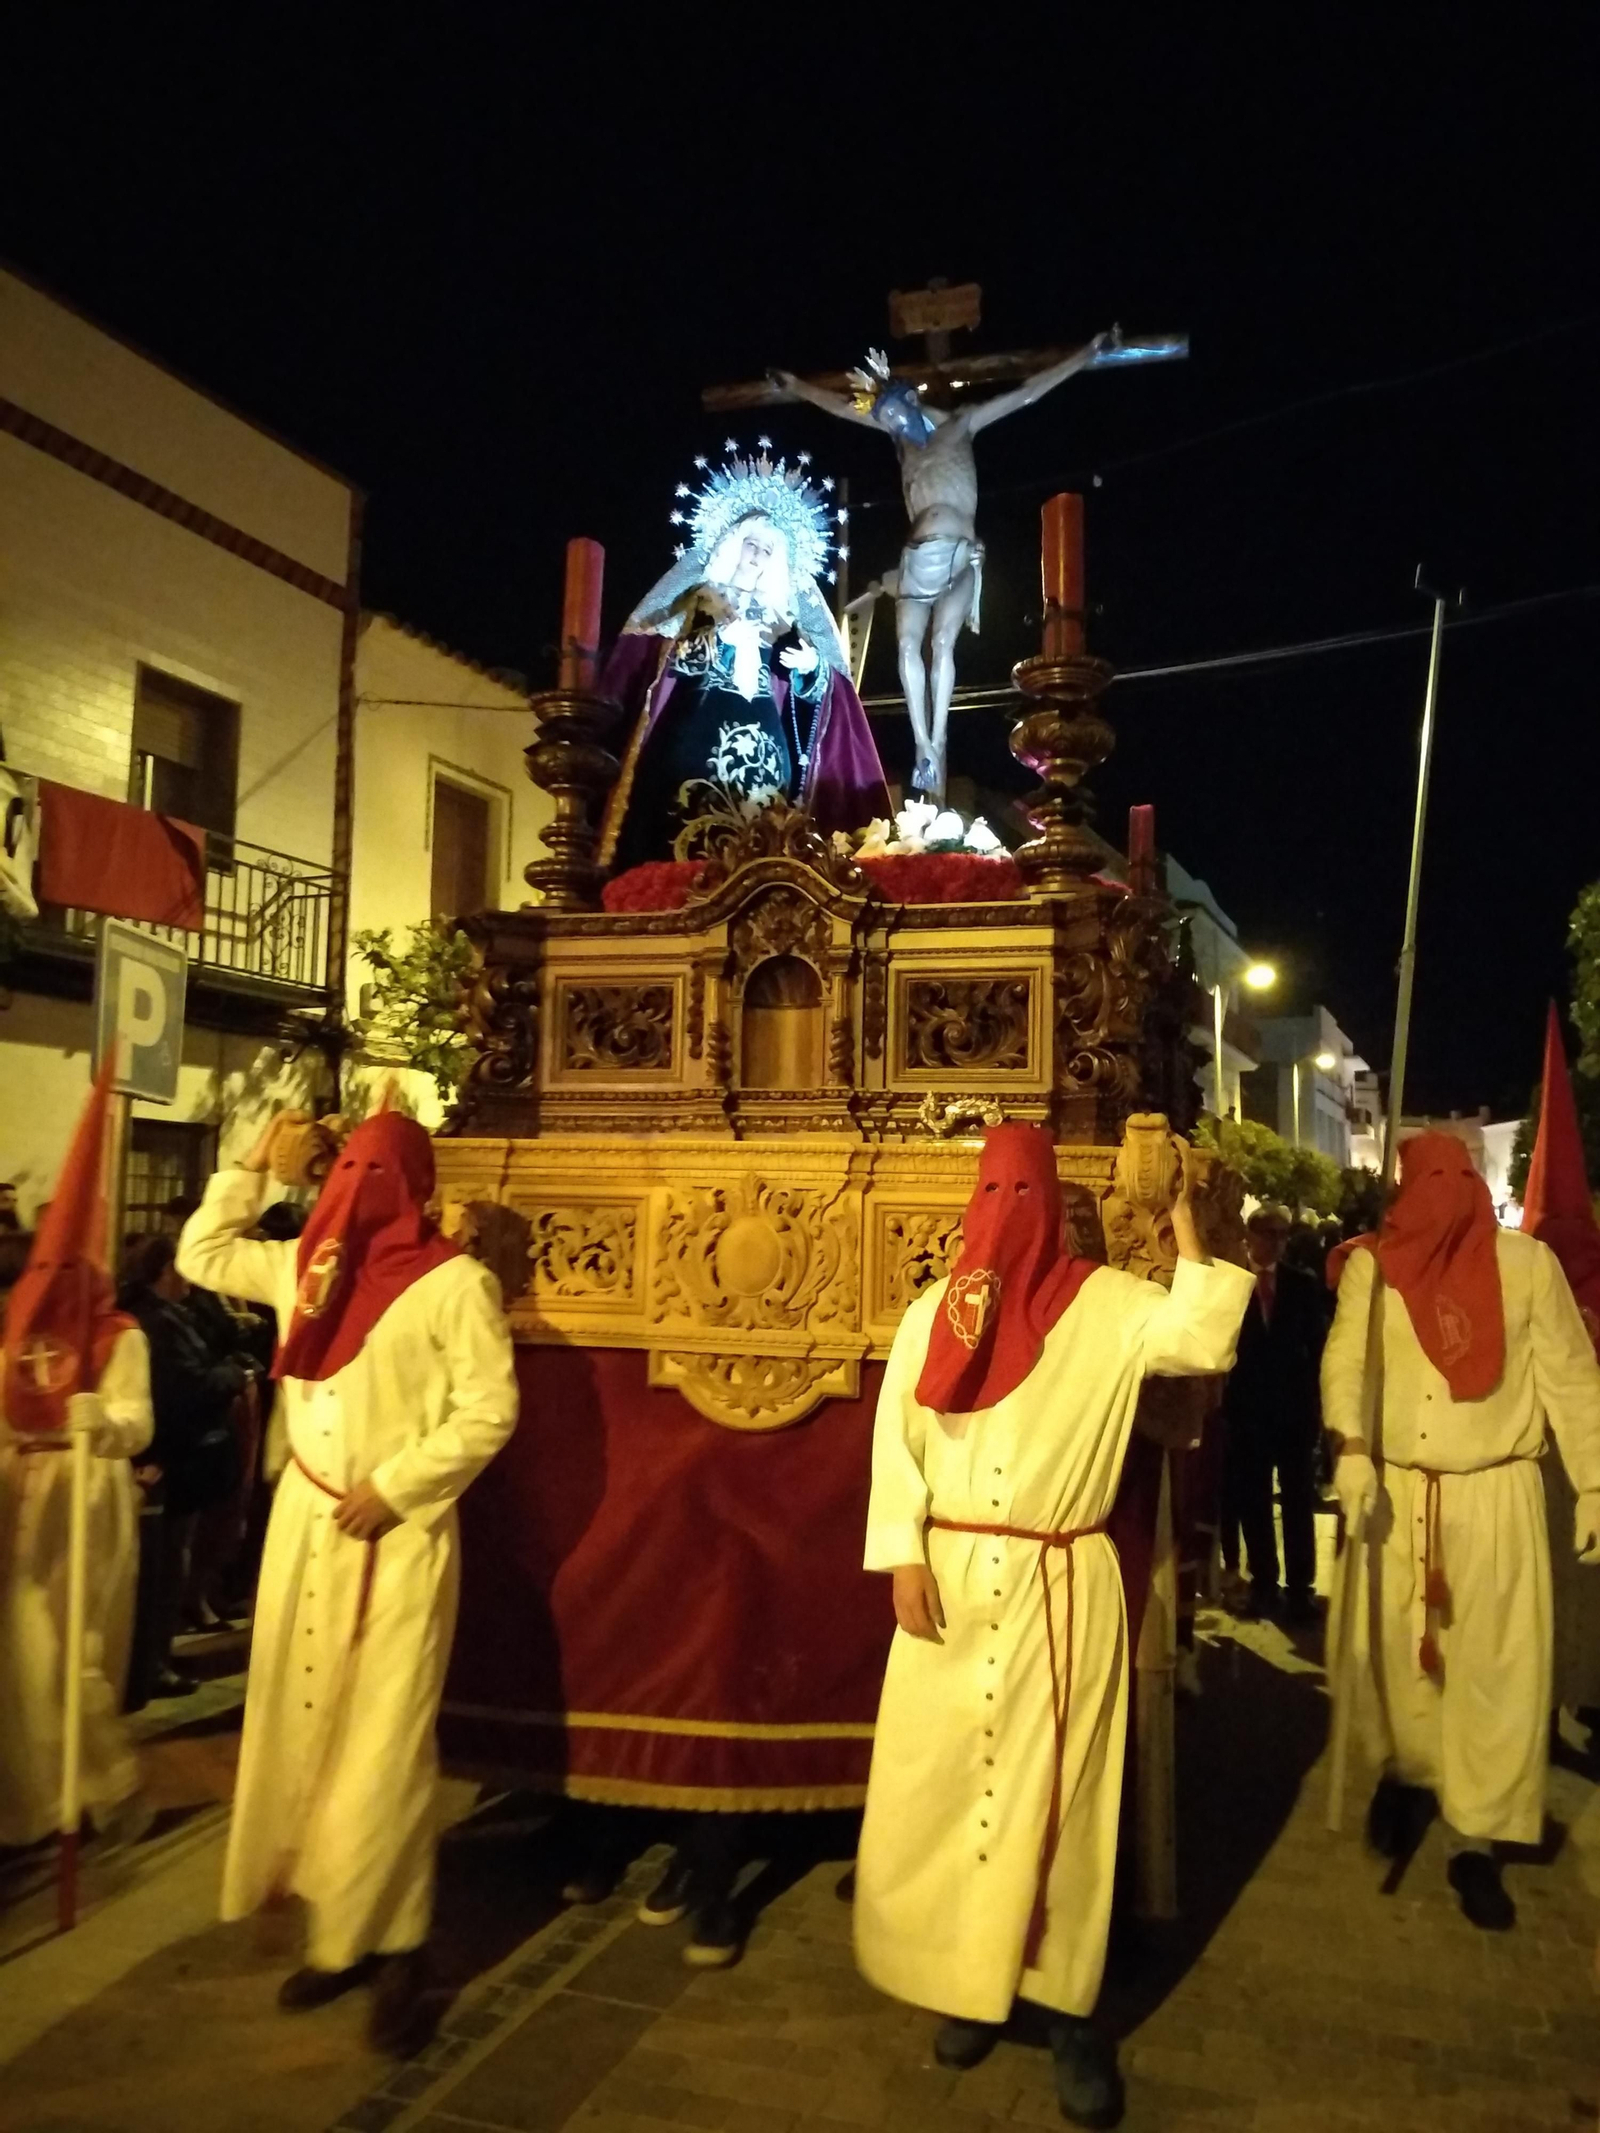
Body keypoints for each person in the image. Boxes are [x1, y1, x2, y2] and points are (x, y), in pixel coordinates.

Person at [854, 1124, 1253, 2128]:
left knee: (1063, 1808)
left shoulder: (1109, 1307)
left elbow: (1203, 1337)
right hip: (949, 1581)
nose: (1007, 1215)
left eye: (1023, 1195)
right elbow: (896, 1443)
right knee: (950, 1792)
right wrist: (901, 1553)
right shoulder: (932, 1315)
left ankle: (1068, 2009)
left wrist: (1183, 1222)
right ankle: (965, 1984)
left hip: (1059, 1584)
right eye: (991, 1193)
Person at [176, 1106, 519, 2053]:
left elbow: (489, 1408)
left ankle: (398, 1941)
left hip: (397, 1534)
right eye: (345, 1171)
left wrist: (400, 1484)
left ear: (415, 1189)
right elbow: (204, 1251)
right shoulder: (302, 1267)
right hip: (307, 1526)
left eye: (378, 1174)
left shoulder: (455, 1283)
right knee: (304, 1725)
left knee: (383, 1742)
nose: (356, 1191)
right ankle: (339, 1930)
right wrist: (252, 1162)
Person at [1324, 1132, 1600, 1931]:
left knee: (1490, 1669)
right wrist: (1350, 1443)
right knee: (1392, 1655)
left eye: (1457, 1177)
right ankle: (1409, 1777)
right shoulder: (1374, 1267)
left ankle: (1476, 1836)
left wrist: (1593, 1481)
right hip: (1394, 1493)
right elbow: (1345, 1362)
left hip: (1496, 1495)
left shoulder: (1527, 1265)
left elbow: (1571, 1376)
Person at [773, 334, 1115, 800]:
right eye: (886, 422)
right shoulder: (901, 441)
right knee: (906, 646)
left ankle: (938, 736)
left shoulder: (961, 423)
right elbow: (841, 408)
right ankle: (923, 745)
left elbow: (1027, 393)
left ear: (912, 401)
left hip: (958, 553)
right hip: (916, 559)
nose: (894, 427)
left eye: (896, 417)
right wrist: (797, 386)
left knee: (941, 643)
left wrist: (1086, 354)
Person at [597, 448, 888, 876]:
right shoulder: (700, 598)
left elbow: (813, 699)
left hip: (768, 751)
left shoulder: (782, 618)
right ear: (732, 545)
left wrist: (812, 667)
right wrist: (711, 630)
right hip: (699, 738)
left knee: (761, 842)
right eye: (751, 544)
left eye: (767, 550)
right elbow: (674, 666)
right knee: (691, 839)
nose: (757, 555)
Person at [0, 1071, 154, 1852]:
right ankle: (31, 1796)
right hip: (17, 1498)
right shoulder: (13, 1331)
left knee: (74, 1651)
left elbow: (138, 1423)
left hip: (85, 1497)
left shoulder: (120, 1335)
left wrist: (102, 1421)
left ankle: (96, 1781)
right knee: (22, 1654)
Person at [119, 1234, 252, 1690]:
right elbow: (183, 1390)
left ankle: (155, 1659)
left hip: (176, 1460)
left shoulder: (167, 1315)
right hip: (169, 1462)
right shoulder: (156, 1323)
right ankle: (151, 1666)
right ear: (164, 1271)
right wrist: (233, 1374)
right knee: (161, 1569)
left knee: (170, 1561)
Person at [1219, 1204, 1329, 1625]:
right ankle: (1264, 1583)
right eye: (1269, 1233)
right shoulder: (1234, 1285)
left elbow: (1318, 1349)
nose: (1277, 1242)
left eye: (1283, 1234)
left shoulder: (1302, 1283)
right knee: (1255, 1503)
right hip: (1247, 1413)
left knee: (1298, 1502)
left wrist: (1318, 1408)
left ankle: (1300, 1589)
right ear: (1250, 1236)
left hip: (1293, 1412)